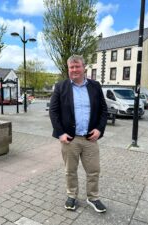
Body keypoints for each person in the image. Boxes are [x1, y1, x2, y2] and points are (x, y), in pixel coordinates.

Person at [49, 55, 108, 213]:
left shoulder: (95, 86)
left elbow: (104, 110)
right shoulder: (60, 87)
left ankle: (93, 197)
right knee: (70, 171)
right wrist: (60, 133)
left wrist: (99, 129)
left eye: (77, 66)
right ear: (68, 69)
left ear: (84, 68)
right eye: (71, 67)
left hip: (90, 138)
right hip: (70, 139)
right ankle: (72, 196)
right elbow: (53, 112)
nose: (74, 70)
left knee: (94, 170)